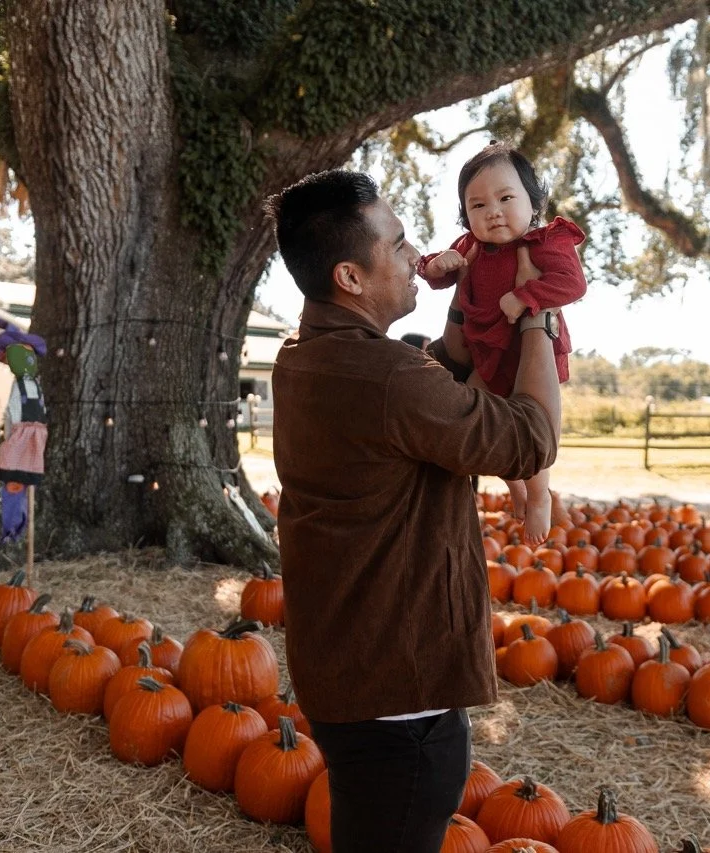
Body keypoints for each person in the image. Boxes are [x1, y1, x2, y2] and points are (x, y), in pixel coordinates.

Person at [266, 169, 560, 853]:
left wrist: (470, 299)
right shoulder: (389, 380)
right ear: (350, 277)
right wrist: (541, 311)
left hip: (350, 678)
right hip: (402, 704)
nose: (413, 253)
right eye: (396, 244)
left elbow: (436, 376)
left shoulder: (305, 356)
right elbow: (530, 437)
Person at [419, 141, 586, 545]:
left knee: (534, 426)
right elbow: (440, 273)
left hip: (530, 353)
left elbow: (572, 283)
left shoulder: (546, 241)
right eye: (477, 205)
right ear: (465, 215)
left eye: (505, 198)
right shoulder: (471, 246)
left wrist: (527, 297)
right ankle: (516, 488)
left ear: (533, 201)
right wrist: (437, 266)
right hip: (488, 352)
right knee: (479, 417)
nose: (492, 211)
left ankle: (540, 493)